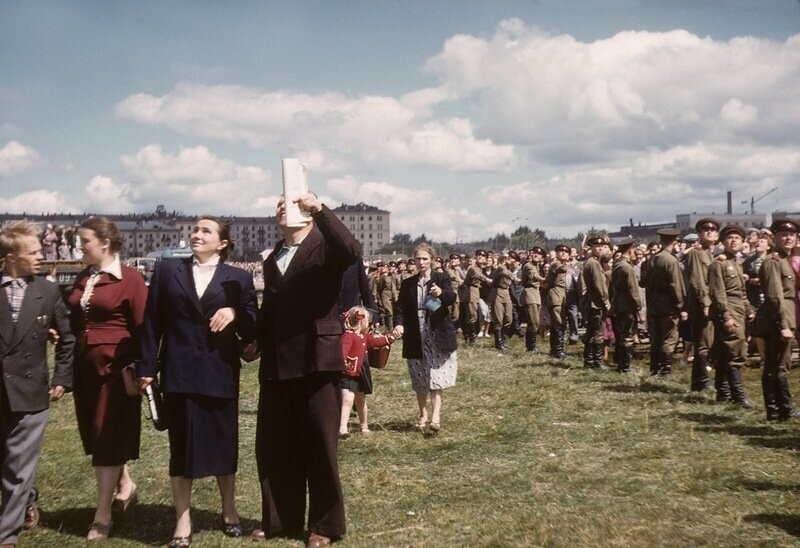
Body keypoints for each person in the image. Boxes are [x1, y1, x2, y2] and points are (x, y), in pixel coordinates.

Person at [138, 215, 258, 547]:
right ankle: (182, 520)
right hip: (178, 373)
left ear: (222, 243)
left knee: (224, 445)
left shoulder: (239, 279)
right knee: (182, 449)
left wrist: (235, 313)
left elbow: (252, 326)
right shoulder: (166, 272)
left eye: (206, 231)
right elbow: (151, 323)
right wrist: (146, 367)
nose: (196, 234)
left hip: (220, 372)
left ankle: (229, 510)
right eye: (195, 229)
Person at [251, 193, 360, 547]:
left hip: (317, 360)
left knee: (320, 445)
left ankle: (326, 525)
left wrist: (320, 209)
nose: (283, 208)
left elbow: (351, 249)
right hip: (278, 364)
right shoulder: (273, 258)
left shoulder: (324, 247)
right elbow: (272, 309)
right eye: (278, 205)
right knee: (276, 445)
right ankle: (281, 520)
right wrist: (252, 341)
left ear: (307, 213)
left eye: (291, 203)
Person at [67, 217, 148, 540]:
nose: (80, 246)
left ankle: (102, 516)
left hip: (114, 372)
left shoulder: (131, 279)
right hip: (85, 369)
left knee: (107, 435)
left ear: (104, 242)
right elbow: (75, 317)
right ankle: (126, 485)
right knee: (97, 434)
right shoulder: (84, 277)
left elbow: (144, 328)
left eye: (84, 241)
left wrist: (144, 371)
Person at [0, 221, 75, 547]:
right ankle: (27, 499)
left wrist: (61, 377)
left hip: (31, 393)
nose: (41, 256)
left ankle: (6, 535)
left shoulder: (48, 290)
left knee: (18, 467)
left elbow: (68, 339)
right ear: (11, 256)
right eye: (33, 252)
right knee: (8, 465)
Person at [393, 243, 458, 433]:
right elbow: (401, 308)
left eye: (424, 259)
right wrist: (399, 324)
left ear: (432, 260)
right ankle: (423, 414)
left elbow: (451, 297)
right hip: (415, 334)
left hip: (436, 332)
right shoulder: (408, 283)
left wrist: (441, 293)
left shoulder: (441, 278)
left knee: (437, 376)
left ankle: (435, 417)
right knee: (420, 377)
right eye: (418, 259)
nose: (421, 262)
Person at [753, 218, 800, 421]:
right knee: (779, 365)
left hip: (785, 315)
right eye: (783, 234)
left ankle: (777, 410)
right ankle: (782, 410)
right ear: (774, 237)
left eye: (792, 234)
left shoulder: (784, 260)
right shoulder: (774, 262)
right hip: (778, 318)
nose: (788, 237)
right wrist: (783, 325)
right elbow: (775, 296)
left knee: (777, 364)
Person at [708, 225, 753, 408]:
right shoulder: (719, 264)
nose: (733, 240)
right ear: (723, 242)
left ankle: (723, 393)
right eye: (730, 238)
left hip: (739, 308)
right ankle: (738, 395)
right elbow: (718, 292)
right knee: (735, 349)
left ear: (743, 242)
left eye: (737, 238)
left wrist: (749, 310)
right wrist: (726, 316)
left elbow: (742, 292)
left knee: (725, 351)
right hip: (728, 309)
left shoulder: (737, 263)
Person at [338, 306, 394, 438]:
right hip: (348, 375)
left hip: (361, 374)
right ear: (361, 321)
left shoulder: (364, 336)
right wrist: (344, 364)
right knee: (347, 399)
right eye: (368, 320)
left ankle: (364, 425)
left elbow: (377, 342)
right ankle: (342, 428)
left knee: (361, 401)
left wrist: (390, 338)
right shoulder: (348, 336)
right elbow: (343, 352)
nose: (369, 323)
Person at [643, 228, 687, 376]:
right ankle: (666, 369)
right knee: (669, 337)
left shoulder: (652, 259)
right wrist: (681, 306)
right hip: (668, 304)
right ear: (674, 242)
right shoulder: (671, 260)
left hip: (654, 302)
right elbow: (676, 285)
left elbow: (645, 282)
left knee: (656, 337)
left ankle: (654, 368)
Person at [684, 218, 719, 393]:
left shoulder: (710, 254)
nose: (709, 231)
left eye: (712, 229)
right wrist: (705, 303)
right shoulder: (696, 253)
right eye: (704, 229)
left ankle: (697, 382)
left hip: (711, 303)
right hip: (701, 305)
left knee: (707, 341)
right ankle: (703, 381)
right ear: (698, 233)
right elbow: (697, 281)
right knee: (704, 342)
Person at [610, 237, 642, 374]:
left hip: (619, 304)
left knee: (623, 334)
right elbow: (633, 290)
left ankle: (622, 365)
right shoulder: (627, 267)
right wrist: (639, 307)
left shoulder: (617, 265)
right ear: (631, 249)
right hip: (628, 305)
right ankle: (625, 367)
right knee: (628, 335)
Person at [581, 237, 612, 369]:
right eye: (596, 246)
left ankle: (590, 361)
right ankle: (596, 362)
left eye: (602, 246)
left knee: (591, 332)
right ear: (591, 247)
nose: (599, 248)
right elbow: (600, 285)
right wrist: (606, 302)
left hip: (592, 302)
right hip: (596, 303)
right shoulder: (593, 263)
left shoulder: (593, 262)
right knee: (597, 333)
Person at [545, 244, 571, 359]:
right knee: (558, 323)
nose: (563, 253)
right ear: (556, 253)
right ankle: (557, 351)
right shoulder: (556, 263)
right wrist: (568, 264)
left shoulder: (560, 263)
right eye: (561, 251)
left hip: (559, 294)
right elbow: (561, 269)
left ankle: (555, 349)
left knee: (558, 323)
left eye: (566, 251)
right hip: (556, 294)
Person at [520, 246, 546, 352]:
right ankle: (530, 346)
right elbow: (534, 276)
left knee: (535, 322)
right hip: (530, 294)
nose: (536, 255)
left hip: (536, 293)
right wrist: (544, 279)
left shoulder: (537, 266)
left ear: (542, 258)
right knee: (533, 321)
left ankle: (531, 345)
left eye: (539, 254)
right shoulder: (528, 265)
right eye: (534, 253)